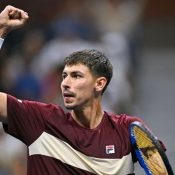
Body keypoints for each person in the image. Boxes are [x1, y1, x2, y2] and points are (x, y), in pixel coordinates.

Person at [0, 5, 164, 175]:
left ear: (99, 84)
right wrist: (1, 29)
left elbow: (160, 169)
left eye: (76, 76)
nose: (65, 83)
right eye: (64, 76)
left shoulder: (128, 128)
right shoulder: (38, 120)